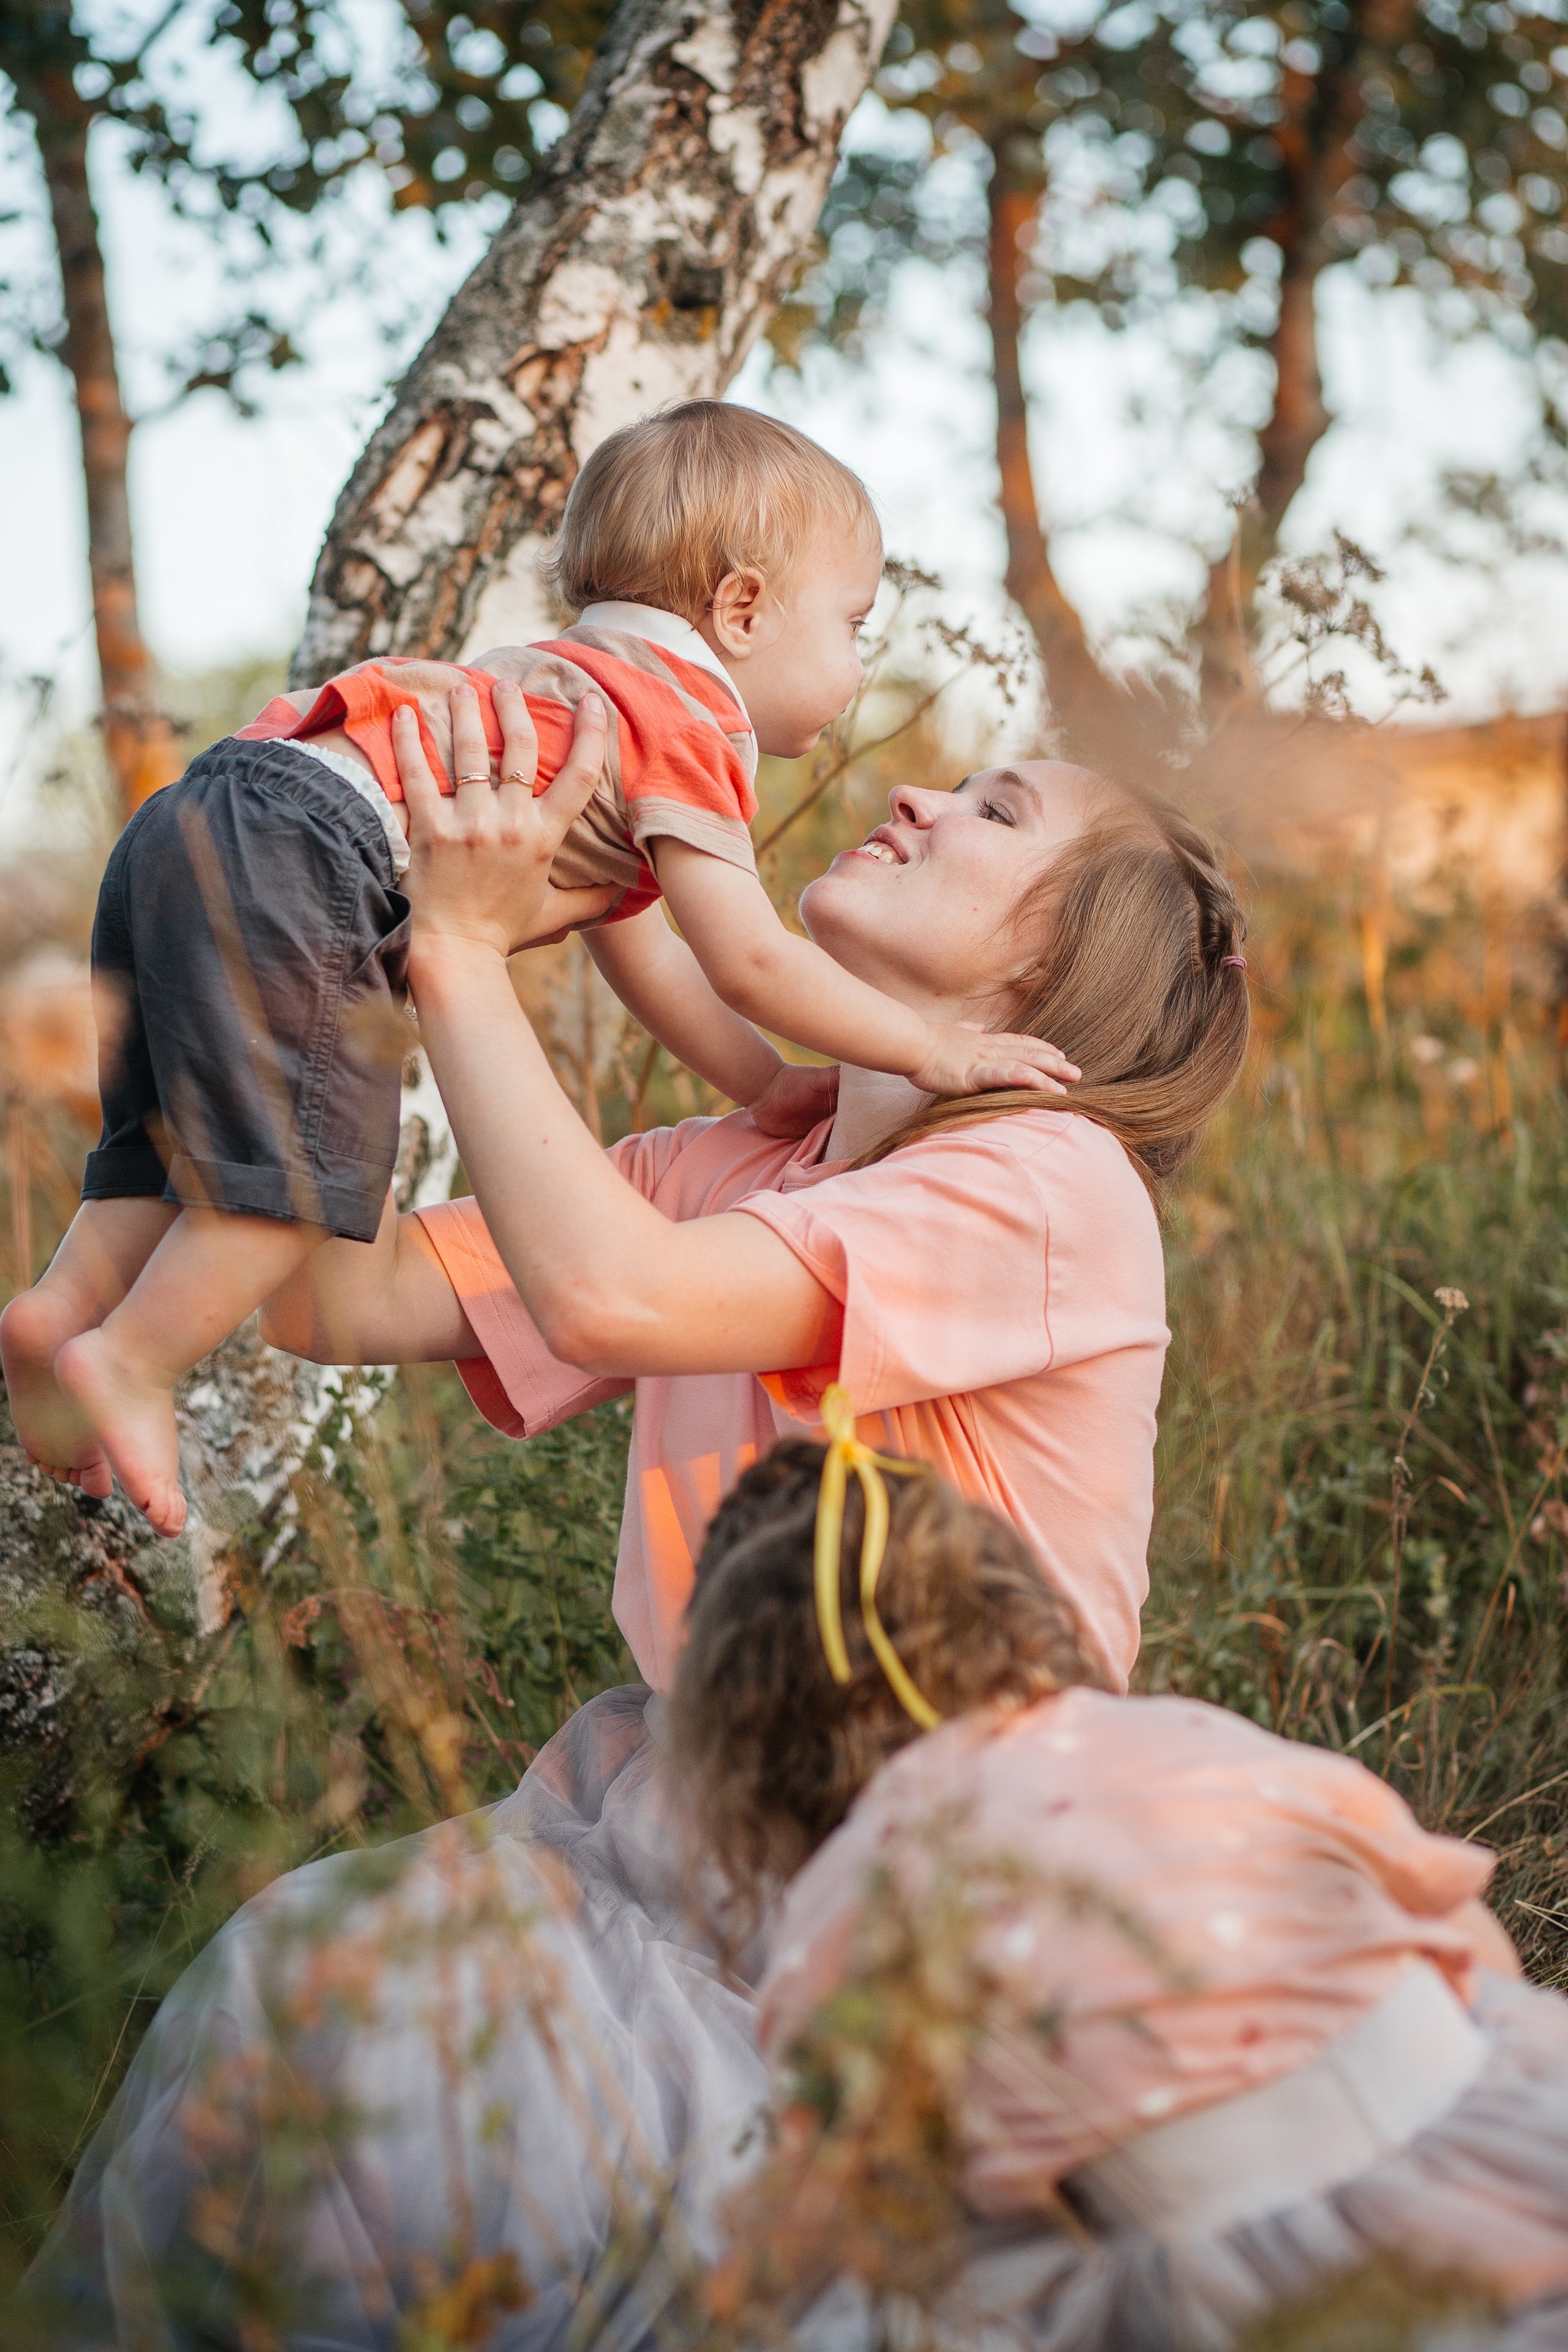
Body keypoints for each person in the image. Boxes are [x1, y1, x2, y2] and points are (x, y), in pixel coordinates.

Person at [24, 682, 1251, 2345]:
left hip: (914, 1902)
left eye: (995, 808)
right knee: (288, 1994)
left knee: (482, 2152)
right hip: (666, 1820)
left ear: (1055, 971)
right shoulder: (746, 1162)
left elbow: (612, 1300)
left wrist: (459, 960)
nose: (915, 792)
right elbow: (335, 1302)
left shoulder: (1049, 1187)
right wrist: (302, 936)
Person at [0, 401, 1070, 1540]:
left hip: (209, 803)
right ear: (744, 607)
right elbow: (748, 958)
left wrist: (761, 1088)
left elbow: (639, 949)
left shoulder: (575, 682)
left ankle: (57, 1308)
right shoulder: (691, 725)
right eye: (854, 624)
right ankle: (130, 1357)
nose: (861, 665)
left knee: (172, 1130)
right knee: (306, 1165)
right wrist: (930, 1048)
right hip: (317, 849)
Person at [669, 1439, 1568, 2349]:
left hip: (1256, 2264)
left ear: (754, 1745)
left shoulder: (851, 1902)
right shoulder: (1188, 1734)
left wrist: (724, 2299)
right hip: (1493, 2126)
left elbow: (812, 2217)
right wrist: (1503, 2058)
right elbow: (1452, 1918)